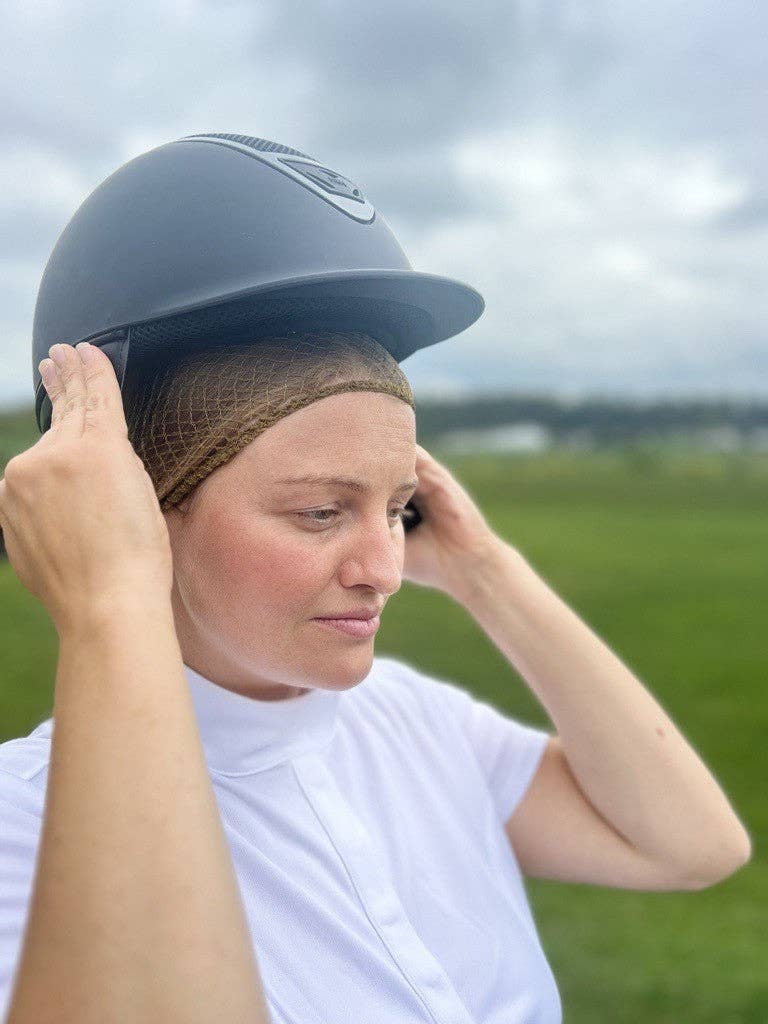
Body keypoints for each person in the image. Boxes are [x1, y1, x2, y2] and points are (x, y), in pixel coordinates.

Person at [0, 329, 752, 1022]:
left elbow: (688, 847)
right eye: (322, 512)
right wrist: (110, 600)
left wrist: (484, 569)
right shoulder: (24, 824)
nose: (385, 572)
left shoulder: (411, 716)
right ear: (143, 517)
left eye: (397, 509)